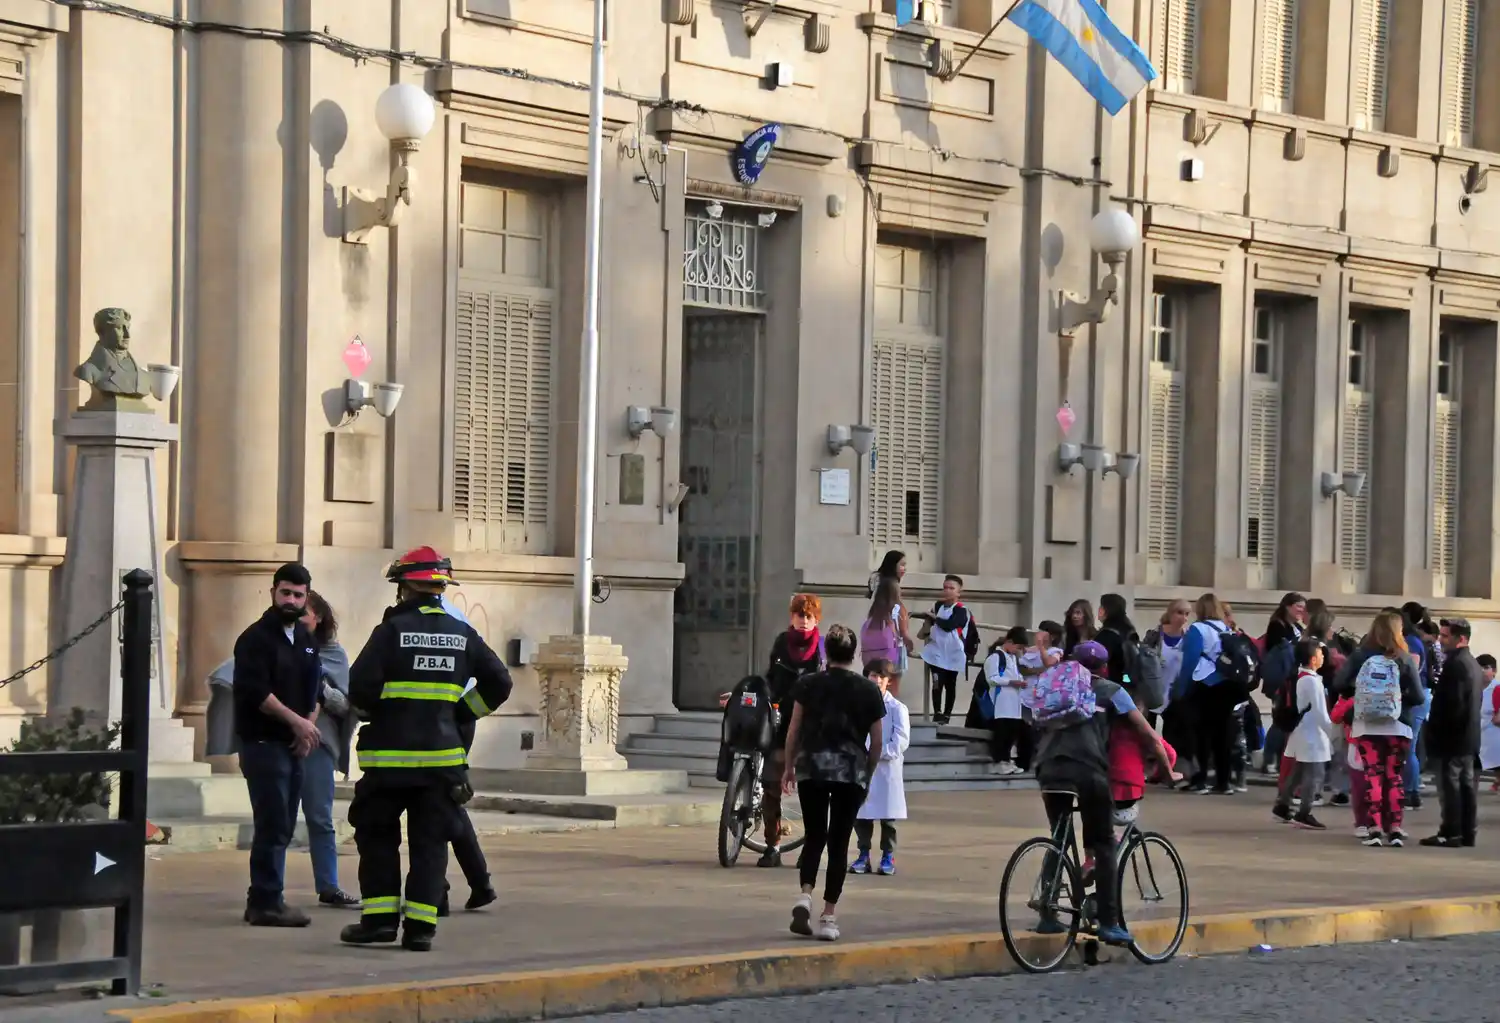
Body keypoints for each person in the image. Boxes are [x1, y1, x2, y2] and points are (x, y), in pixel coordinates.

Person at [340, 546, 513, 951]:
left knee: (378, 838)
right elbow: (500, 683)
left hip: (388, 764)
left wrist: (379, 709)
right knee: (431, 845)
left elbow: (359, 688)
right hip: (441, 765)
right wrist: (460, 713)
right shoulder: (462, 634)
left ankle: (380, 922)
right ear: (439, 589)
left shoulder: (390, 632)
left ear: (404, 588)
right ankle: (420, 929)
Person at [1027, 640, 1171, 947]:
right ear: (1104, 668)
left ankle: (1047, 912)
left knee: (1059, 838)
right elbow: (1149, 736)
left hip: (1048, 767)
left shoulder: (1057, 686)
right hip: (1087, 768)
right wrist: (1168, 772)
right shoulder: (1111, 690)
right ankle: (1109, 922)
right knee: (1104, 843)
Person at [781, 624, 886, 942]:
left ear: (826, 652)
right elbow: (877, 742)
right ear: (854, 655)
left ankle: (805, 895)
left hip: (812, 766)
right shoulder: (868, 690)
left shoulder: (808, 684)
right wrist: (867, 773)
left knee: (815, 835)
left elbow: (794, 729)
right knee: (839, 843)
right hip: (849, 771)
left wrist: (789, 766)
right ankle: (828, 916)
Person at [232, 562, 323, 927]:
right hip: (262, 742)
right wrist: (296, 723)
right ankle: (265, 902)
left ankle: (267, 897)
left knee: (283, 823)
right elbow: (256, 693)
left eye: (298, 595)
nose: (291, 600)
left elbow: (315, 690)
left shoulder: (305, 640)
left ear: (306, 598)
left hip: (294, 745)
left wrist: (307, 729)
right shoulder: (255, 639)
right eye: (285, 592)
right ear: (273, 592)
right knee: (271, 823)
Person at [430, 595, 497, 917]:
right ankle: (476, 882)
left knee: (433, 805)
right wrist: (464, 713)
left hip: (441, 721)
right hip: (452, 717)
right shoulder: (453, 617)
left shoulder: (429, 621)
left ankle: (438, 891)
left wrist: (458, 714)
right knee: (446, 802)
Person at [1334, 611, 1425, 847]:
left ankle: (1373, 828)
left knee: (1372, 776)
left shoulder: (1360, 655)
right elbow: (1418, 696)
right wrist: (1399, 698)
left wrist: (1359, 694)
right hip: (1398, 725)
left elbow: (1339, 683)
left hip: (1367, 725)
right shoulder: (1404, 658)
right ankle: (1394, 828)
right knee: (1393, 777)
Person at [299, 590, 359, 908]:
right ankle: (266, 891)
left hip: (317, 744)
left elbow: (346, 705)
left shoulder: (333, 654)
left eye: (303, 610)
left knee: (319, 817)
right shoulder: (270, 645)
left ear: (318, 617)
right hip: (277, 740)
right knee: (274, 820)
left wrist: (320, 689)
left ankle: (329, 885)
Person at [759, 593, 826, 868]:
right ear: (792, 617)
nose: (804, 620)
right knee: (771, 785)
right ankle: (772, 846)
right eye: (800, 615)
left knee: (813, 790)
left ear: (816, 619)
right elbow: (770, 677)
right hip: (781, 722)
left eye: (809, 616)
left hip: (811, 727)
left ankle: (810, 848)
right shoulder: (781, 642)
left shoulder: (822, 647)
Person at [1421, 618, 1484, 848]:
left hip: (1453, 738)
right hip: (1467, 737)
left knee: (1451, 787)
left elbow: (1453, 705)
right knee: (1465, 786)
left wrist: (1437, 734)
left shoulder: (1456, 664)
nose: (1441, 640)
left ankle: (1451, 832)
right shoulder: (1471, 663)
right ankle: (1466, 832)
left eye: (1446, 636)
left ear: (1462, 639)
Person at [1173, 593, 1236, 794]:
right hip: (1226, 684)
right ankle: (1224, 781)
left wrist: (1181, 689)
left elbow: (1190, 662)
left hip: (1204, 684)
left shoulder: (1197, 629)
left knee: (1201, 735)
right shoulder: (1226, 629)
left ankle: (1199, 780)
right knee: (1223, 736)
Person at [851, 659, 909, 876]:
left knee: (888, 818)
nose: (876, 680)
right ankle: (863, 854)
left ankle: (887, 855)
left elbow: (900, 742)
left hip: (886, 770)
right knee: (861, 815)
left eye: (881, 676)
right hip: (863, 768)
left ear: (888, 681)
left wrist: (876, 752)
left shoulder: (897, 709)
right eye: (872, 676)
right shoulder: (858, 706)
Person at [1271, 638, 1334, 831]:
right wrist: (1333, 734)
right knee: (1314, 775)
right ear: (1313, 659)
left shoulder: (1299, 677)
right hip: (1312, 733)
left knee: (1298, 772)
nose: (1323, 657)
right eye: (1320, 654)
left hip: (1300, 731)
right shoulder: (1312, 682)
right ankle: (1304, 812)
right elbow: (1321, 713)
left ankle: (1283, 806)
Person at [918, 575, 972, 725]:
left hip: (953, 652)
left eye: (951, 588)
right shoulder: (937, 606)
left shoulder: (961, 610)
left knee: (950, 684)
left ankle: (947, 714)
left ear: (958, 592)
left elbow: (949, 625)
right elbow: (929, 623)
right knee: (937, 682)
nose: (947, 591)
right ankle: (937, 712)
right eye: (945, 587)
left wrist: (934, 617)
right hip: (936, 650)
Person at [981, 627, 1031, 775]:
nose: (1018, 651)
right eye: (1018, 647)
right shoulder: (995, 657)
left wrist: (1020, 682)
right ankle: (999, 761)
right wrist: (1011, 682)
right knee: (1002, 733)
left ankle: (1008, 760)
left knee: (1012, 733)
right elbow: (992, 679)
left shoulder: (1012, 658)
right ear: (1009, 642)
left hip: (1013, 703)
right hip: (1001, 702)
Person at [1479, 654, 1500, 791]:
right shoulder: (1474, 688)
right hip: (1480, 732)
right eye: (1479, 668)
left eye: (1486, 668)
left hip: (1494, 732)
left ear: (1494, 671)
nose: (1482, 671)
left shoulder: (1497, 688)